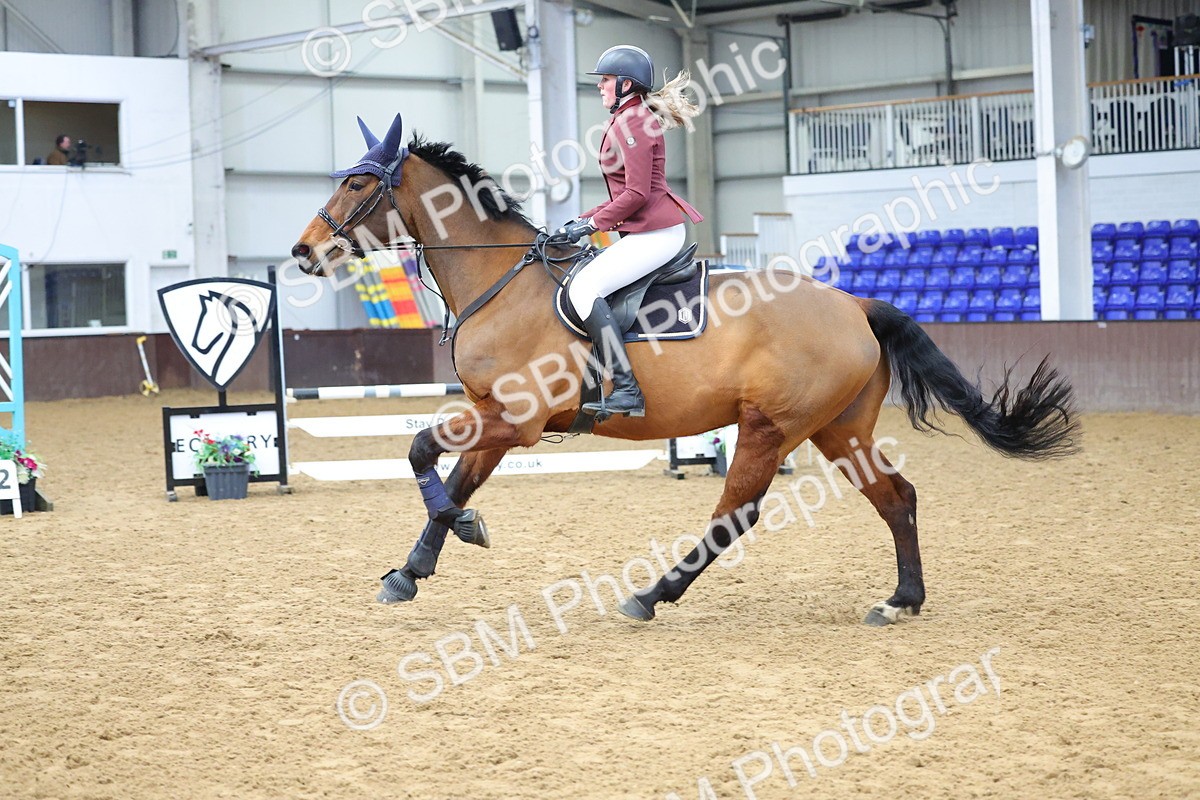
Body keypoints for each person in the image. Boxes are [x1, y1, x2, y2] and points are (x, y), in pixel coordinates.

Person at [554, 44, 704, 420]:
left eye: (605, 80)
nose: (600, 87)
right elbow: (624, 195)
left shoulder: (633, 121)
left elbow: (636, 194)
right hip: (647, 231)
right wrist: (577, 223)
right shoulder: (629, 117)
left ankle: (626, 389)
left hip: (656, 234)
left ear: (625, 84)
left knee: (584, 288)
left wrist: (591, 226)